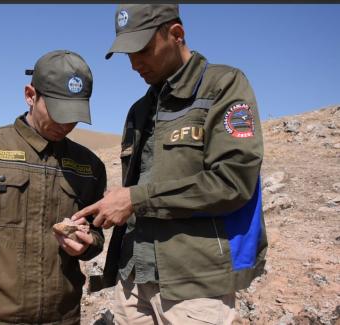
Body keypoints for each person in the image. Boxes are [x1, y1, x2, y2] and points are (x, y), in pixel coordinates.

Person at [72, 4, 267, 324]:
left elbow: (233, 183)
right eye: (127, 55)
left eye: (143, 50)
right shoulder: (138, 111)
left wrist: (136, 199)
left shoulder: (223, 86)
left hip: (194, 286)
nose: (135, 63)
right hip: (133, 281)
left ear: (176, 34)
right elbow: (136, 193)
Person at [0, 50, 107, 325]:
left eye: (74, 115)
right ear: (30, 95)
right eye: (58, 112)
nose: (65, 125)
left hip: (63, 318)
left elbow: (96, 234)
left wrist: (87, 245)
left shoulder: (89, 167)